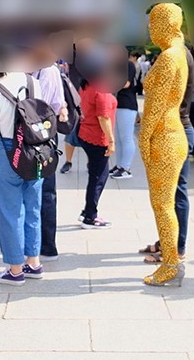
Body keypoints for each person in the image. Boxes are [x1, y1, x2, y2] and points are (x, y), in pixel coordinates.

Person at [0, 71, 44, 286]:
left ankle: (15, 269)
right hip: (36, 150)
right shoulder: (32, 82)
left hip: (6, 152)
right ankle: (33, 262)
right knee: (33, 206)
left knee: (8, 211)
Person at [140, 3, 189, 287]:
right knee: (165, 203)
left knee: (162, 205)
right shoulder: (178, 52)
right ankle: (171, 261)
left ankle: (170, 264)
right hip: (171, 133)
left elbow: (155, 106)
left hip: (164, 136)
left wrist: (143, 137)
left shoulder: (170, 57)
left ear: (167, 24)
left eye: (153, 23)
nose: (149, 30)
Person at [139, 43, 194, 264]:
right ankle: (167, 243)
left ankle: (176, 249)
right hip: (179, 128)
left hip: (175, 130)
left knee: (174, 194)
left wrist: (146, 135)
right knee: (171, 194)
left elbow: (160, 99)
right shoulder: (179, 53)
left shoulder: (174, 55)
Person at [77, 60, 117, 229]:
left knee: (96, 174)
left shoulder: (86, 85)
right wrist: (111, 141)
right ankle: (90, 216)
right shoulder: (102, 90)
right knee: (99, 177)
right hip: (97, 137)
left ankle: (87, 211)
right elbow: (103, 117)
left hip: (86, 133)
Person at [35, 61, 68, 261]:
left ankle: (45, 246)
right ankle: (44, 245)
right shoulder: (48, 69)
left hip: (39, 134)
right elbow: (58, 103)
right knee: (45, 190)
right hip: (45, 133)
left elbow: (41, 105)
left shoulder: (46, 70)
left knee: (43, 190)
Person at [111, 52, 139, 179]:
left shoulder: (128, 65)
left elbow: (126, 83)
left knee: (126, 137)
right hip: (117, 104)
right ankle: (119, 165)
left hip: (127, 104)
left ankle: (126, 168)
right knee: (118, 138)